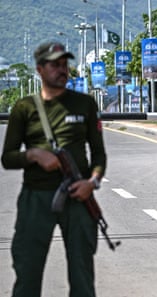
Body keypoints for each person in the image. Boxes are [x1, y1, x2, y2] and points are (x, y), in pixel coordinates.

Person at [1, 42, 107, 297]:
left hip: (78, 196)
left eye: (64, 64)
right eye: (54, 65)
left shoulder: (85, 104)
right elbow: (8, 158)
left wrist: (91, 183)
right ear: (40, 69)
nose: (62, 70)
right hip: (36, 199)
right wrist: (34, 155)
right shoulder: (24, 108)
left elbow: (99, 154)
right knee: (27, 273)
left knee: (82, 277)